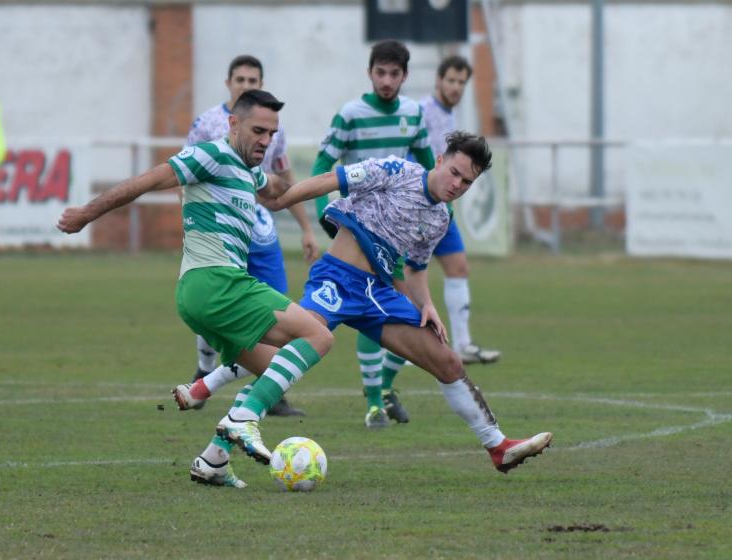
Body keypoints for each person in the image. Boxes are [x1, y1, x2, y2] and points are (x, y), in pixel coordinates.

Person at [180, 131, 552, 487]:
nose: (457, 184)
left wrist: (429, 306)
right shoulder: (397, 171)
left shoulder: (441, 218)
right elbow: (331, 180)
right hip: (337, 280)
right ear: (439, 160)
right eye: (454, 172)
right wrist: (283, 200)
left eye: (467, 182)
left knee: (448, 361)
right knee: (289, 349)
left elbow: (416, 269)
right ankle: (208, 392)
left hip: (379, 294)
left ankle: (498, 446)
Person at [58, 89, 335, 489]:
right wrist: (86, 213)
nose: (265, 140)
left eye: (271, 134)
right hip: (216, 283)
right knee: (318, 336)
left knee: (277, 371)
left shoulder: (249, 171)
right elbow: (146, 181)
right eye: (258, 130)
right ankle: (242, 419)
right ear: (233, 123)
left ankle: (214, 461)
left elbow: (277, 191)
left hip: (203, 296)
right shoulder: (210, 155)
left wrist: (334, 184)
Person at [310, 39, 437, 430]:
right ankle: (373, 403)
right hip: (357, 229)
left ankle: (383, 388)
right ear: (370, 73)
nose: (386, 80)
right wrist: (323, 216)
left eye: (394, 74)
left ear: (405, 76)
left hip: (396, 230)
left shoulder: (414, 114)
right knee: (366, 310)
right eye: (380, 73)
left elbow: (430, 166)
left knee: (413, 316)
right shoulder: (351, 114)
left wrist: (439, 212)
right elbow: (322, 162)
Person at [183, 54, 318, 418]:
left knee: (274, 309)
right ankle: (205, 367)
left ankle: (268, 390)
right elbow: (185, 175)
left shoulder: (273, 126)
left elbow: (282, 180)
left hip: (261, 229)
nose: (246, 85)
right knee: (221, 305)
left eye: (253, 80)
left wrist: (307, 228)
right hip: (222, 232)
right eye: (240, 79)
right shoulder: (207, 124)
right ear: (229, 83)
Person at [416, 55, 500, 368]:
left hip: (442, 208)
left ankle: (463, 343)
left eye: (461, 82)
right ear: (438, 80)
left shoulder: (450, 116)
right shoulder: (421, 112)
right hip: (418, 205)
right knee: (406, 275)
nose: (455, 87)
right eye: (450, 80)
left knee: (458, 267)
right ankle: (405, 347)